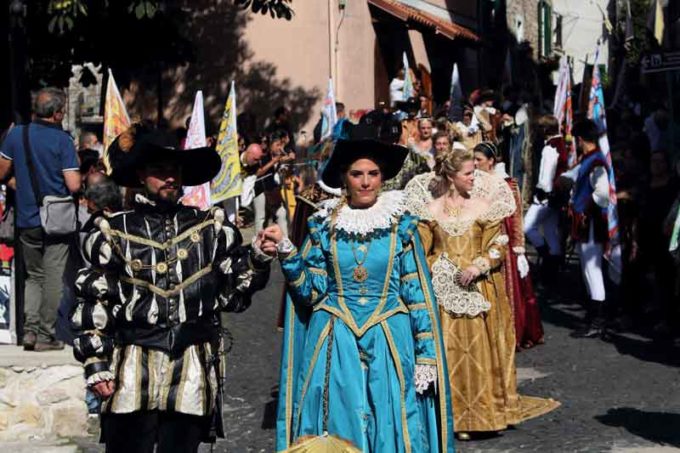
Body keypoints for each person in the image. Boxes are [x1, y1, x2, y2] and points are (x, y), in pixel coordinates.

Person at [70, 124, 272, 453]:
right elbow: (94, 299)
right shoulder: (115, 231)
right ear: (141, 175)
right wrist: (96, 363)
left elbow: (232, 294)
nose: (169, 178)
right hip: (132, 368)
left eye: (174, 170)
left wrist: (259, 256)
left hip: (191, 367)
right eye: (159, 170)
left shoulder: (209, 228)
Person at [264, 118, 455, 452]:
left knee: (390, 419)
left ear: (383, 177)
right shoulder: (325, 226)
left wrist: (426, 354)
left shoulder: (400, 225)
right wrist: (287, 252)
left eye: (373, 174)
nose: (366, 182)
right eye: (357, 174)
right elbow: (310, 292)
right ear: (344, 179)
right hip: (335, 339)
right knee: (338, 421)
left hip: (388, 339)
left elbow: (418, 295)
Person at [404, 149, 559, 439]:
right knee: (446, 354)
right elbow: (421, 250)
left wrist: (479, 265)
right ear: (451, 177)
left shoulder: (483, 207)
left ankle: (480, 416)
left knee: (477, 354)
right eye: (468, 174)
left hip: (477, 289)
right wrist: (440, 267)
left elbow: (499, 243)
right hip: (443, 294)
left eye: (475, 172)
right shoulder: (432, 211)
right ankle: (450, 419)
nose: (474, 178)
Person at [0, 87, 81, 351]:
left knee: (33, 277)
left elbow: (2, 172)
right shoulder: (63, 141)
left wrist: (19, 185)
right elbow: (73, 185)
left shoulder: (16, 135)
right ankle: (47, 335)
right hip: (56, 219)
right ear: (58, 114)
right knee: (53, 276)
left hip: (26, 218)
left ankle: (29, 332)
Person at [473, 142, 544, 349]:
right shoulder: (472, 182)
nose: (476, 164)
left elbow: (515, 216)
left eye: (480, 159)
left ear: (491, 161)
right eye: (474, 159)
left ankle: (511, 333)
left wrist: (518, 247)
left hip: (502, 240)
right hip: (481, 241)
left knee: (507, 289)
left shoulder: (507, 184)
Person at [562, 119, 611, 339]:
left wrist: (583, 209)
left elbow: (601, 195)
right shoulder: (589, 160)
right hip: (586, 223)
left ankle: (598, 320)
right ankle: (593, 316)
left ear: (580, 139)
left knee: (593, 271)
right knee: (587, 271)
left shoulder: (596, 162)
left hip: (590, 223)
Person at [523, 115, 569, 282]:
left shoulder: (550, 147)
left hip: (547, 196)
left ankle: (548, 260)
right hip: (557, 196)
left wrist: (543, 193)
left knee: (527, 227)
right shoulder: (561, 144)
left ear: (545, 130)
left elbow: (546, 175)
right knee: (550, 231)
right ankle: (553, 269)